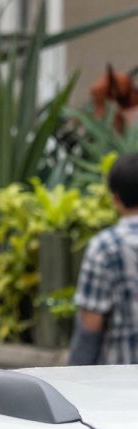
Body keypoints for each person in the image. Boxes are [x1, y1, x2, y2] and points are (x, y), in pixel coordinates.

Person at [71, 152, 138, 365]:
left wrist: (74, 379)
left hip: (119, 379)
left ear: (116, 199)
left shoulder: (105, 246)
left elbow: (90, 325)